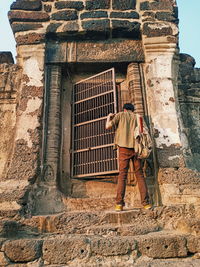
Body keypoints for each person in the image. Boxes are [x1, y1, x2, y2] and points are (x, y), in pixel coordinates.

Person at [105, 103, 152, 211]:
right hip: (137, 149)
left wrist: (109, 117)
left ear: (124, 109)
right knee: (140, 175)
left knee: (122, 176)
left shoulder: (120, 115)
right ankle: (146, 204)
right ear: (132, 110)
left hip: (123, 149)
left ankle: (119, 204)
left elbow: (108, 126)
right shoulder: (138, 117)